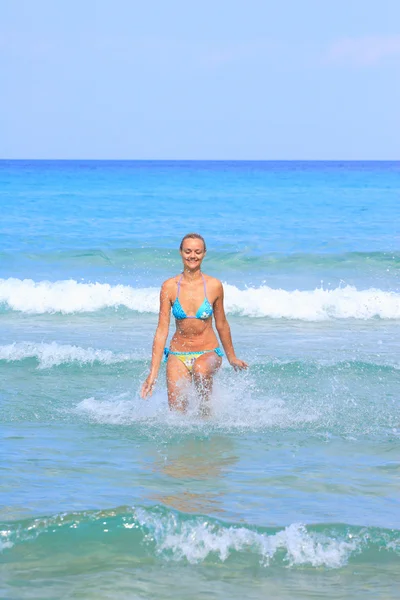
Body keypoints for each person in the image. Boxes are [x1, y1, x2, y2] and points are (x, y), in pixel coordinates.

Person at [141, 233, 248, 412]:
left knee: (200, 370)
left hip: (208, 352)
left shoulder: (214, 285)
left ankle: (207, 417)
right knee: (176, 414)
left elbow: (221, 324)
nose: (193, 256)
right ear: (181, 252)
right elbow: (161, 330)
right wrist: (152, 374)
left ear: (204, 253)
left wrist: (232, 357)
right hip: (178, 354)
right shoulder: (169, 286)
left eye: (197, 251)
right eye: (188, 251)